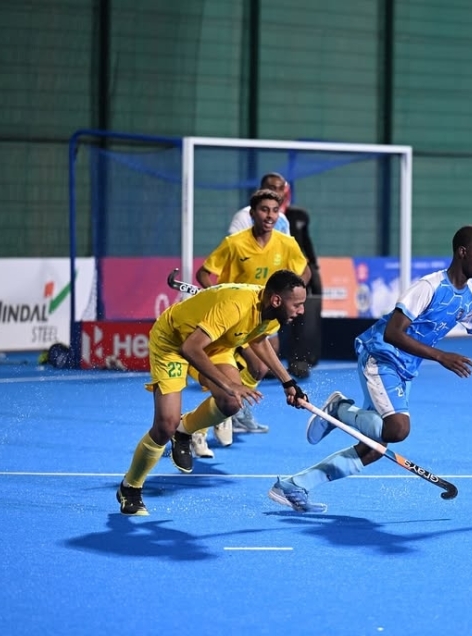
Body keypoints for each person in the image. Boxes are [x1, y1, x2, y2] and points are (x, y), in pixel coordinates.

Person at [267, 225, 472, 513]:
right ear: (462, 252)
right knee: (397, 429)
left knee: (373, 449)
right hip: (380, 355)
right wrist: (440, 356)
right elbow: (393, 333)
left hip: (404, 369)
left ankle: (295, 486)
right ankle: (339, 410)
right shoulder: (429, 287)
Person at [116, 270, 309, 516]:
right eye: (298, 304)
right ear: (276, 300)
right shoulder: (235, 306)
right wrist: (229, 384)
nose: (301, 310)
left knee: (231, 403)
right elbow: (190, 347)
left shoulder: (272, 314)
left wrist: (287, 382)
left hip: (216, 344)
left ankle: (184, 431)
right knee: (165, 424)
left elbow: (258, 339)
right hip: (173, 342)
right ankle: (130, 487)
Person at [189, 188, 311, 457]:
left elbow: (305, 271)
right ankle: (212, 418)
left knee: (259, 369)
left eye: (274, 211)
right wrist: (212, 297)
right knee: (254, 366)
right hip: (233, 316)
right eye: (264, 210)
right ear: (252, 213)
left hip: (265, 317)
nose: (269, 216)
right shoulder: (234, 243)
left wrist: (295, 297)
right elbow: (205, 273)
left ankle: (225, 411)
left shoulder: (286, 244)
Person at [283, 204, 322, 379]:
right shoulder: (247, 217)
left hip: (298, 270)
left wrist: (313, 268)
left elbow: (306, 242)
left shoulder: (299, 216)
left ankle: (301, 360)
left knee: (304, 313)